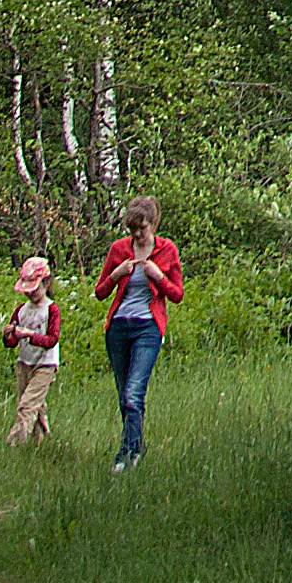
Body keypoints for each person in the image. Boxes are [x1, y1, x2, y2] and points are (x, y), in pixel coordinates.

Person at [94, 195, 186, 471]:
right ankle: (137, 444)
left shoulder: (167, 250)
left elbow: (177, 294)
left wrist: (159, 276)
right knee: (124, 393)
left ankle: (126, 454)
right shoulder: (118, 249)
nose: (137, 234)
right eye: (132, 229)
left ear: (153, 224)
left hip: (148, 326)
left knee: (135, 390)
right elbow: (100, 293)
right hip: (119, 327)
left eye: (142, 228)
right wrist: (116, 274)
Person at [2, 253, 62, 448]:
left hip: (45, 365)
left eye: (34, 289)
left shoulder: (51, 310)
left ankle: (14, 444)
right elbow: (11, 343)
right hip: (24, 363)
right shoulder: (21, 310)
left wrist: (29, 335)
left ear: (46, 283)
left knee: (27, 406)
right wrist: (9, 335)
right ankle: (42, 442)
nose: (30, 293)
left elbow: (52, 339)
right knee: (36, 406)